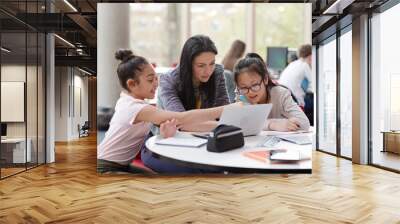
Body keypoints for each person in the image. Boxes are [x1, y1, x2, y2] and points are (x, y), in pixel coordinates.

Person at [97, 49, 225, 174]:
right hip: (106, 167)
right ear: (131, 84)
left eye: (156, 78)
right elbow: (181, 118)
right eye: (150, 80)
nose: (156, 83)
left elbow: (175, 122)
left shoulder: (130, 101)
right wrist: (223, 110)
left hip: (122, 165)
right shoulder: (135, 108)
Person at [158, 35, 230, 132]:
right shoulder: (168, 80)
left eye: (212, 63)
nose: (208, 71)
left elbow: (224, 113)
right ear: (188, 64)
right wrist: (227, 125)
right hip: (171, 139)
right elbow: (180, 121)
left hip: (206, 136)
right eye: (201, 66)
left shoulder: (217, 72)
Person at [233, 53, 310, 132]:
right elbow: (240, 124)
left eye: (255, 85)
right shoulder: (241, 96)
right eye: (244, 87)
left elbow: (304, 123)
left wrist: (288, 123)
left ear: (265, 79)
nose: (250, 92)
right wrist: (272, 124)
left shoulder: (280, 94)